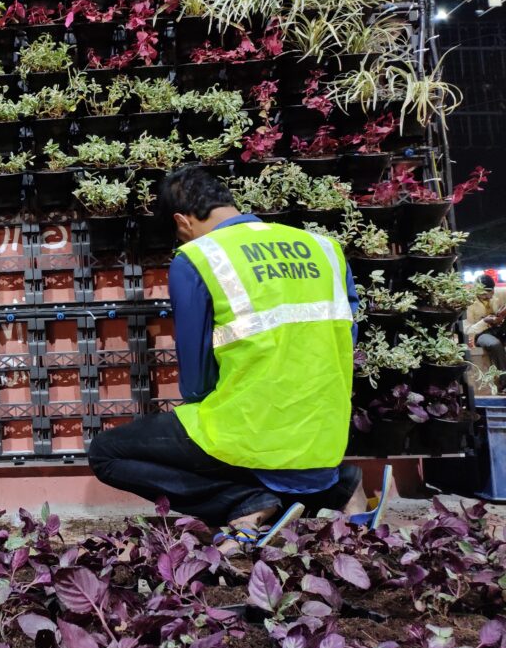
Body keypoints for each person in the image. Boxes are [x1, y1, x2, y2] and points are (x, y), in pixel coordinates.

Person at [88, 167, 391, 549]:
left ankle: (244, 502)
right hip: (324, 432)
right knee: (251, 447)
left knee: (106, 453)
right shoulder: (325, 249)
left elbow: (197, 380)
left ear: (181, 221)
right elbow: (347, 337)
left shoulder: (198, 257)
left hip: (253, 428)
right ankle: (340, 487)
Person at [465, 274, 506, 383]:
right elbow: (468, 330)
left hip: (499, 328)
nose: (490, 296)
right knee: (495, 344)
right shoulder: (468, 302)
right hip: (481, 333)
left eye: (491, 292)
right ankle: (504, 382)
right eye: (484, 294)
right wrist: (484, 321)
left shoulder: (499, 292)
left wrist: (503, 311)